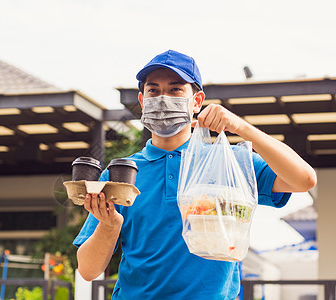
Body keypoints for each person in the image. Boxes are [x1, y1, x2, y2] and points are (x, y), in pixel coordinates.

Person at [73, 50, 317, 299]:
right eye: (154, 91)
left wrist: (241, 127)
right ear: (142, 100)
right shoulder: (122, 174)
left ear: (197, 101)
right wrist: (109, 225)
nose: (163, 98)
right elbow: (89, 270)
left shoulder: (229, 162)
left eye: (175, 90)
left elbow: (304, 180)